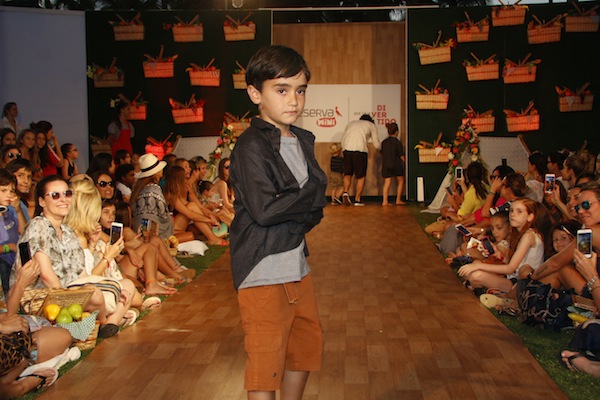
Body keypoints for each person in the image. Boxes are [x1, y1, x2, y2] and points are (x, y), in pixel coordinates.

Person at [230, 45, 327, 400]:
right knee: (266, 366)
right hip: (262, 270)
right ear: (255, 94)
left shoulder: (300, 140)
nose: (294, 100)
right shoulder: (250, 146)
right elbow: (265, 210)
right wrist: (309, 195)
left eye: (300, 90)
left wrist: (303, 202)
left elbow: (316, 209)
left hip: (297, 264)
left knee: (305, 349)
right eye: (282, 90)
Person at [458, 198, 552, 293]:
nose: (513, 214)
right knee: (473, 269)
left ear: (530, 217)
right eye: (511, 210)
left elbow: (510, 268)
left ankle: (495, 292)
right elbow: (513, 265)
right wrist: (498, 254)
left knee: (476, 275)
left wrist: (478, 266)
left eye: (519, 211)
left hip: (519, 285)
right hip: (512, 278)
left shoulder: (529, 235)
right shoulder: (521, 234)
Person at [163, 165, 228, 246]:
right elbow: (189, 213)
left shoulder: (178, 193)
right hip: (171, 230)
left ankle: (212, 237)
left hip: (180, 226)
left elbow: (195, 208)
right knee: (190, 232)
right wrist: (209, 220)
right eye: (184, 178)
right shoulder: (170, 194)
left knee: (192, 206)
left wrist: (209, 217)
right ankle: (212, 238)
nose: (185, 180)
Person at [340, 114, 381, 206]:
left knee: (347, 173)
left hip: (347, 150)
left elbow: (343, 139)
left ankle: (345, 192)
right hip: (360, 151)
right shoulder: (371, 125)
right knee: (361, 176)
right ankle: (357, 199)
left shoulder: (351, 123)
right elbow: (376, 143)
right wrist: (382, 149)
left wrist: (344, 149)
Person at [380, 122, 405, 206]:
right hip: (396, 164)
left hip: (386, 165)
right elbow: (401, 156)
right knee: (401, 181)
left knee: (387, 183)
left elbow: (382, 153)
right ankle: (398, 200)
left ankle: (385, 201)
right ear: (397, 132)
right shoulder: (398, 142)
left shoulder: (384, 142)